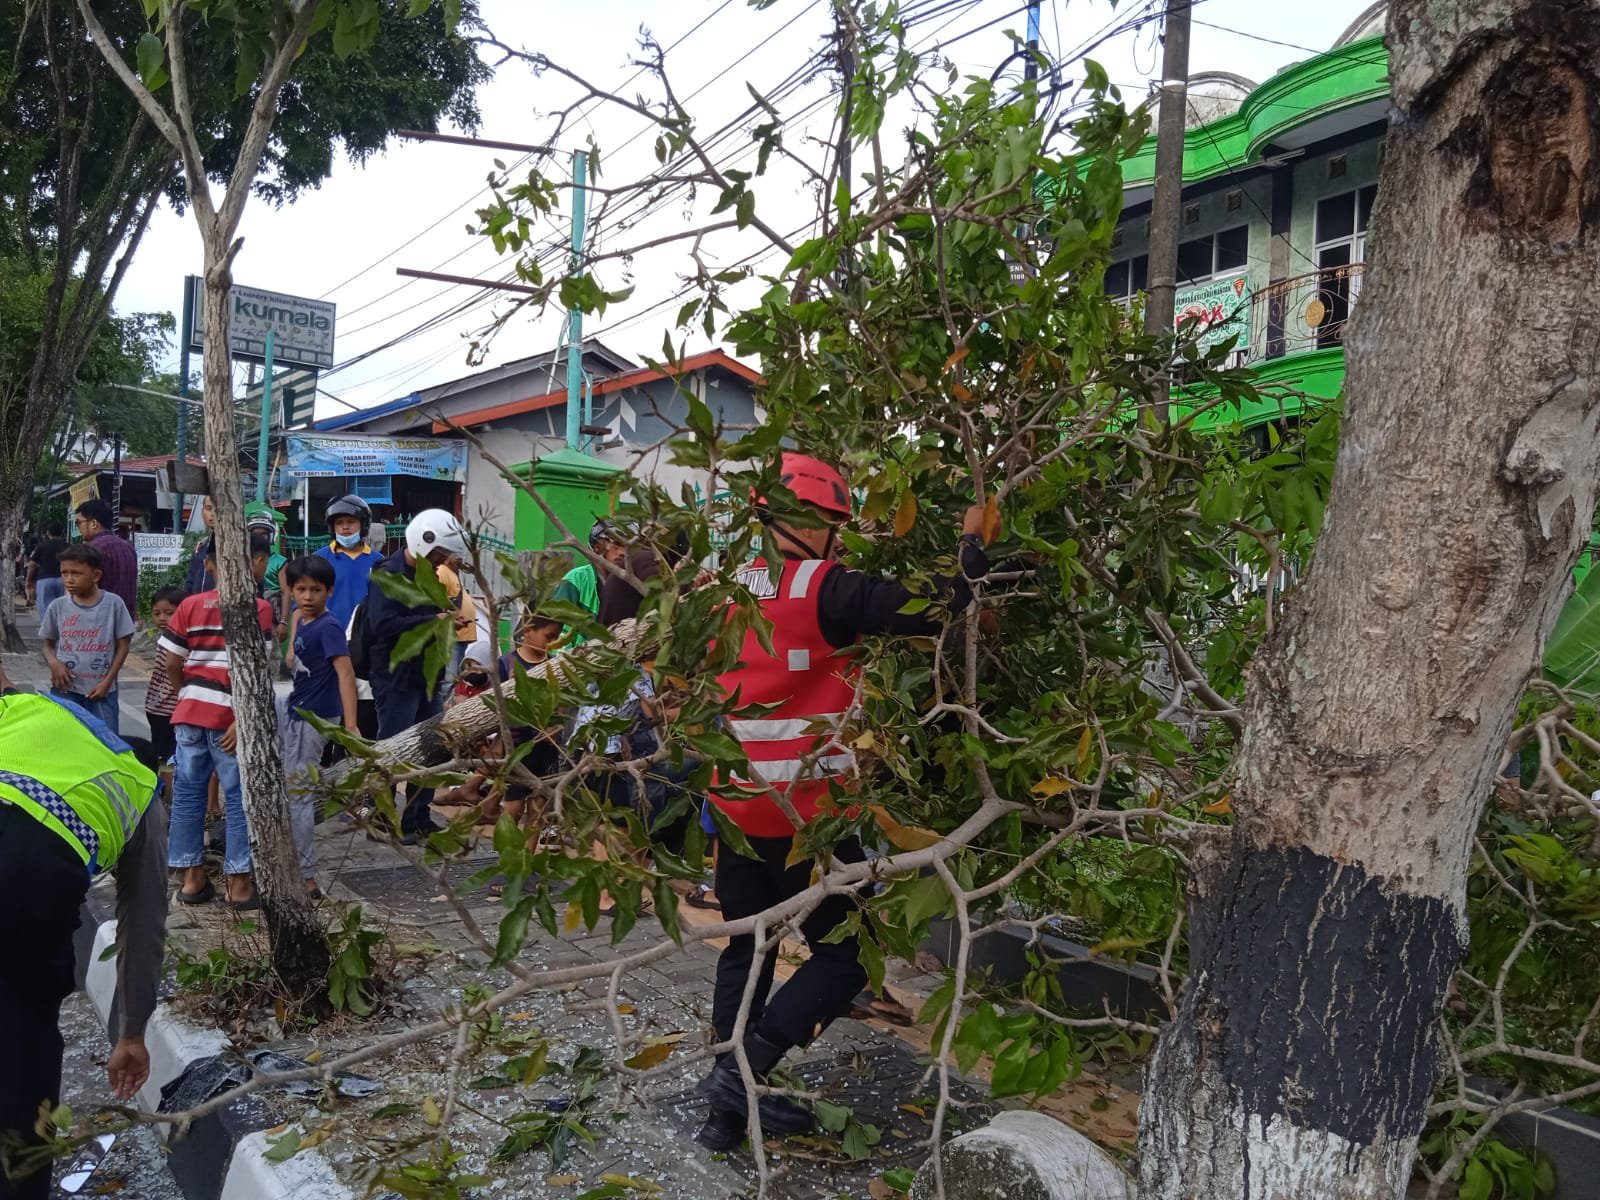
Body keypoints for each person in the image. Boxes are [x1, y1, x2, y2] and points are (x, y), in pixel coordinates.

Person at [693, 452, 991, 1150]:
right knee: (849, 956)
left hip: (734, 802)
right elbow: (944, 603)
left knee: (748, 947)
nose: (838, 539)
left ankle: (723, 1117)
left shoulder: (725, 583)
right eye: (835, 524)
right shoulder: (829, 590)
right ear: (821, 523)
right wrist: (974, 542)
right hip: (804, 818)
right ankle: (745, 1075)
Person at [0, 677, 167, 1200]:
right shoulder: (141, 790)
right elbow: (143, 924)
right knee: (28, 1044)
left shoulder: (29, 708)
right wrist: (132, 1032)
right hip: (33, 878)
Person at [159, 534, 276, 909]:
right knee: (240, 798)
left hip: (190, 713)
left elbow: (172, 661)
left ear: (208, 564)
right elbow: (256, 673)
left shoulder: (189, 605)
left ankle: (191, 879)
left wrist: (186, 693)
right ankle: (238, 882)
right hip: (231, 716)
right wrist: (244, 720)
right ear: (254, 564)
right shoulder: (258, 608)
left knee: (189, 797)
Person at [366, 509, 468, 843]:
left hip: (427, 676)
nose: (441, 560)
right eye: (438, 554)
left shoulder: (431, 578)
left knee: (432, 748)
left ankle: (417, 818)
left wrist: (448, 620)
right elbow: (383, 626)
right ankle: (380, 817)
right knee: (394, 750)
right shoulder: (387, 575)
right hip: (395, 677)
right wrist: (434, 621)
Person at [279, 556, 359, 898]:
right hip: (294, 710)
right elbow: (290, 660)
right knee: (289, 790)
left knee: (298, 797)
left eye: (316, 590)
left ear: (328, 591)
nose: (308, 596)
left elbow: (345, 673)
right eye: (301, 589)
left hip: (312, 719)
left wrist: (351, 725)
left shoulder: (328, 627)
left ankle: (307, 876)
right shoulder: (300, 618)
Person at [39, 544, 134, 734]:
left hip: (100, 691)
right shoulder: (57, 607)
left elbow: (123, 646)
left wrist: (107, 682)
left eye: (76, 573)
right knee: (67, 738)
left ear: (96, 575)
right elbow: (47, 645)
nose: (69, 579)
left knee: (105, 742)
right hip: (65, 690)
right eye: (64, 573)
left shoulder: (113, 604)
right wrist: (54, 663)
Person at [314, 495, 385, 630]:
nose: (345, 527)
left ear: (363, 525)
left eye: (351, 521)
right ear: (332, 528)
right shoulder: (319, 559)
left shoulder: (379, 562)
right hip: (327, 634)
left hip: (365, 637)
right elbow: (301, 608)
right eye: (339, 523)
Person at [552, 519, 626, 646]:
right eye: (616, 545)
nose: (622, 552)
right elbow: (556, 633)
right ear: (597, 548)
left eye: (626, 546)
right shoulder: (576, 580)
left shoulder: (628, 586)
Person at [143, 586, 188, 774]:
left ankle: (166, 794)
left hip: (159, 707)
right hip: (164, 708)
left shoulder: (170, 639)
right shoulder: (173, 641)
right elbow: (173, 668)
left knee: (166, 753)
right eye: (157, 613)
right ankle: (168, 796)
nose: (162, 618)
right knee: (169, 755)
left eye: (169, 613)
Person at [74, 499, 137, 619]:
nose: (78, 528)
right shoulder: (128, 547)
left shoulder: (91, 549)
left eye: (79, 523)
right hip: (125, 620)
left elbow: (81, 588)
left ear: (93, 523)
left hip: (97, 621)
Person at [246, 504, 290, 639]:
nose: (260, 537)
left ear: (271, 535)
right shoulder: (243, 559)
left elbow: (285, 592)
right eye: (255, 533)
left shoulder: (280, 561)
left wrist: (283, 621)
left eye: (264, 534)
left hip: (272, 614)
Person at [24, 523, 66, 615]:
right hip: (64, 580)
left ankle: (48, 629)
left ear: (48, 533)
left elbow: (32, 564)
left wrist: (28, 580)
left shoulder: (42, 546)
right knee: (63, 610)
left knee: (46, 612)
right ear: (62, 533)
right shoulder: (67, 546)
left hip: (45, 580)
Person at [184, 496, 215, 596]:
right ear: (202, 512)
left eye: (218, 509)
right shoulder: (201, 547)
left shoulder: (237, 547)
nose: (213, 514)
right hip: (198, 606)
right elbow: (190, 582)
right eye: (209, 508)